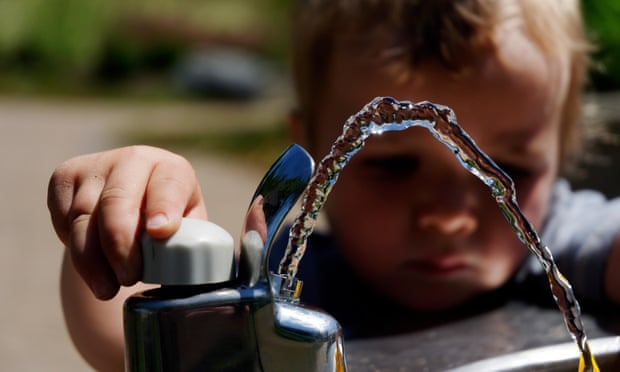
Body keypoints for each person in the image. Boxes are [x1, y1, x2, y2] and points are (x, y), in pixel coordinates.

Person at [47, 0, 620, 370]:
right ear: (318, 154)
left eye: (508, 172)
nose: (449, 217)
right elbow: (122, 339)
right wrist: (131, 230)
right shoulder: (300, 287)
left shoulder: (574, 250)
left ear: (563, 151)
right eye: (393, 166)